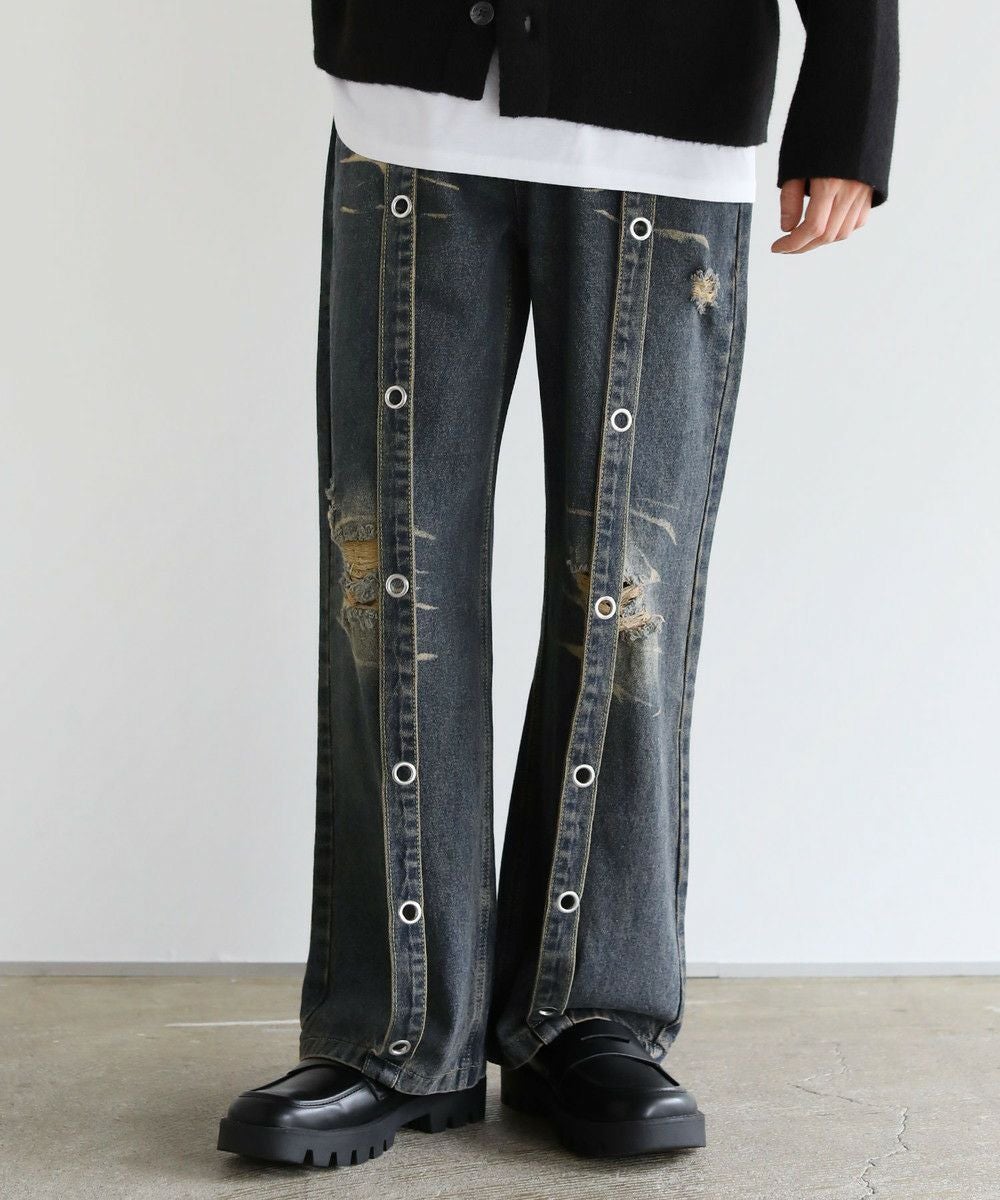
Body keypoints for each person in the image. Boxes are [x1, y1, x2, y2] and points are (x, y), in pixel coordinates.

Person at [218, 0, 899, 1167]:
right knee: (389, 593)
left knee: (628, 606)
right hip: (408, 102)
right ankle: (392, 1029)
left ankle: (588, 1018)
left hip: (665, 114)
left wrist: (850, 92)